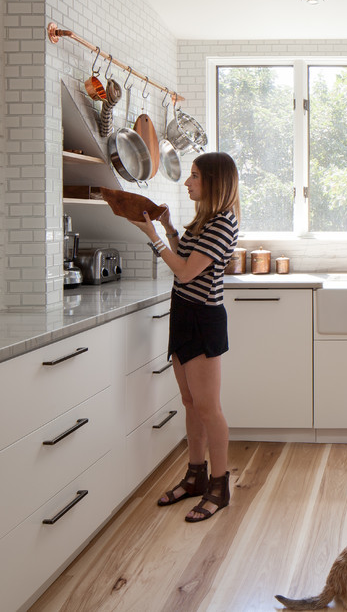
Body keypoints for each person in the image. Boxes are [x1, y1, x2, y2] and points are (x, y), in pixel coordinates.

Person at [129, 151, 240, 522]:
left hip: (203, 319)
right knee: (191, 402)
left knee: (209, 408)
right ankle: (196, 476)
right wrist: (170, 230)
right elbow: (184, 257)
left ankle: (220, 486)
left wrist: (152, 237)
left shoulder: (223, 223)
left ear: (213, 181)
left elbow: (186, 273)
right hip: (184, 314)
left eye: (194, 176)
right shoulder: (203, 221)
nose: (188, 182)